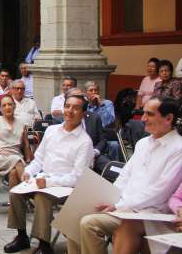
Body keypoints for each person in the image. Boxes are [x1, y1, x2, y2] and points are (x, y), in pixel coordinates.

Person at [67, 97, 182, 254]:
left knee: (89, 223)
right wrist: (109, 197)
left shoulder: (178, 148)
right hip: (125, 208)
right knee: (75, 213)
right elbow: (124, 176)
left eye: (149, 114)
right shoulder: (143, 143)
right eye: (143, 113)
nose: (143, 119)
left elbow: (160, 192)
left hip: (150, 215)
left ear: (168, 118)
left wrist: (119, 205)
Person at [3, 94, 94, 254]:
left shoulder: (84, 142)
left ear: (83, 113)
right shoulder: (52, 131)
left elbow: (77, 178)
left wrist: (49, 183)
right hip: (44, 181)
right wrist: (29, 172)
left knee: (42, 197)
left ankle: (44, 244)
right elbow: (39, 159)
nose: (70, 111)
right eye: (67, 106)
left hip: (65, 188)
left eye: (76, 108)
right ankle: (22, 236)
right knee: (16, 192)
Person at [0, 94, 31, 188]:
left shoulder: (22, 123)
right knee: (16, 160)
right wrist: (0, 150)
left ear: (14, 106)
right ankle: (29, 189)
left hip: (16, 155)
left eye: (10, 104)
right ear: (0, 109)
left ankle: (15, 201)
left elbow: (26, 144)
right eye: (4, 105)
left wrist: (29, 160)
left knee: (13, 172)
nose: (7, 107)